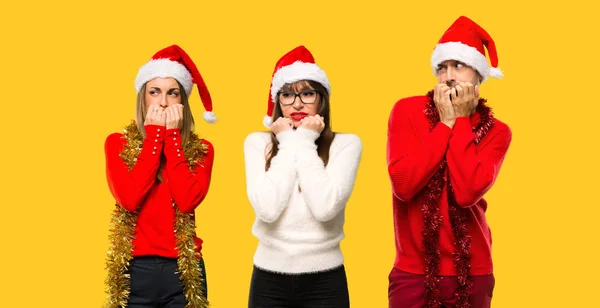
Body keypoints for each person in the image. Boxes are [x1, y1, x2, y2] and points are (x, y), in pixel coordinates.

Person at [386, 16, 512, 308]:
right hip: (413, 271)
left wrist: (462, 121)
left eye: (459, 65)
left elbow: (468, 191)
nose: (449, 76)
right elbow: (403, 185)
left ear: (479, 76)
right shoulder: (406, 110)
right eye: (442, 67)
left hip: (472, 271)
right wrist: (445, 124)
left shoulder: (498, 131)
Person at [244, 45, 362, 308]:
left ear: (322, 98)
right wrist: (287, 142)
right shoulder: (257, 143)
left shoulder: (346, 144)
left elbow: (325, 208)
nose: (297, 104)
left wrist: (306, 140)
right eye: (287, 94)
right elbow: (267, 210)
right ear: (278, 101)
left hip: (325, 281)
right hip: (268, 278)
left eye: (307, 93)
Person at [103, 45, 216, 308]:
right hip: (134, 270)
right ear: (143, 98)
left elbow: (187, 201)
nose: (163, 102)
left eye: (172, 93)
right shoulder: (117, 144)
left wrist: (172, 138)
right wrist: (155, 136)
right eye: (154, 92)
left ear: (183, 102)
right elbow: (130, 199)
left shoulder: (202, 151)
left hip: (184, 271)